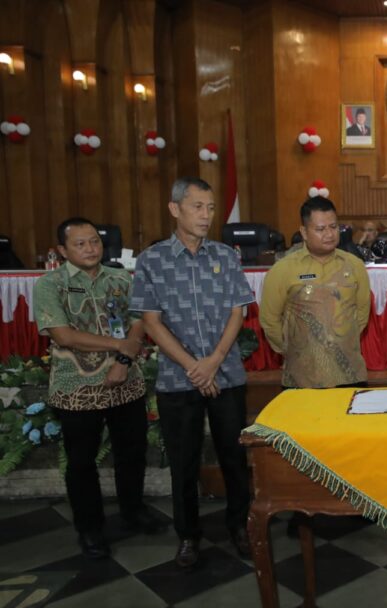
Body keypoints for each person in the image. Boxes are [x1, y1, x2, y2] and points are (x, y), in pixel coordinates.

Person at [131, 177, 255, 569]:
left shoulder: (226, 256)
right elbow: (151, 322)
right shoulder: (152, 261)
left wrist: (214, 360)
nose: (206, 215)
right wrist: (194, 367)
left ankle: (240, 526)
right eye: (197, 206)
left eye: (211, 207)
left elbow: (238, 311)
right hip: (177, 379)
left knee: (234, 458)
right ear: (175, 209)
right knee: (183, 463)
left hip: (226, 373)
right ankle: (188, 535)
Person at [34, 217, 164, 559]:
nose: (90, 249)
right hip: (77, 387)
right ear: (63, 250)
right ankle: (90, 528)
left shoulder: (120, 278)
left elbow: (139, 320)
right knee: (81, 462)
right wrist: (119, 345)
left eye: (94, 241)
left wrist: (123, 360)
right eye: (80, 244)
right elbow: (64, 335)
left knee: (131, 452)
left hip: (126, 381)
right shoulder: (50, 284)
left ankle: (133, 511)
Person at [259, 196, 370, 390]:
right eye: (320, 229)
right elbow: (269, 320)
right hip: (302, 378)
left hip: (349, 375)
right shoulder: (283, 269)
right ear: (304, 232)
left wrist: (338, 341)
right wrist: (294, 349)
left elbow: (361, 316)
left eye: (333, 227)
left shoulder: (355, 265)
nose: (329, 234)